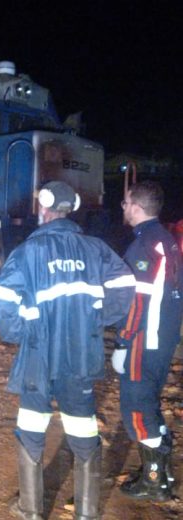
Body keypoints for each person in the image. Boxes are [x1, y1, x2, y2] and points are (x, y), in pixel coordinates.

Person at [0, 181, 136, 520]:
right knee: (83, 428)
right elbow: (125, 284)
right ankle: (86, 513)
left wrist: (19, 332)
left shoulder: (27, 252)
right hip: (80, 357)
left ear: (44, 209)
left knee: (31, 426)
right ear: (70, 210)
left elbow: (3, 300)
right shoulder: (95, 248)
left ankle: (30, 509)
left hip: (38, 358)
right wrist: (98, 319)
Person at [113, 180, 183, 501]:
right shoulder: (166, 240)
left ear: (138, 207)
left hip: (143, 340)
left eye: (127, 202)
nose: (123, 207)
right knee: (149, 405)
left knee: (138, 410)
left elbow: (136, 302)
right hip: (163, 338)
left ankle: (154, 482)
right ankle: (162, 475)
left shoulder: (142, 247)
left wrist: (122, 342)